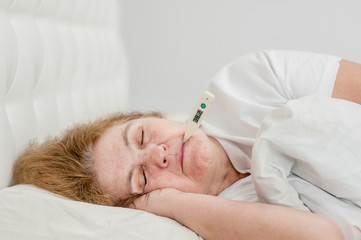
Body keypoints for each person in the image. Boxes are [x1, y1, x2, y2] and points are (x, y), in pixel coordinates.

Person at [13, 50, 361, 239]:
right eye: (143, 179)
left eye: (142, 136)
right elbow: (320, 236)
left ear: (157, 115)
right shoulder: (220, 219)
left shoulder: (248, 82)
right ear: (143, 203)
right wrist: (168, 203)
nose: (158, 155)